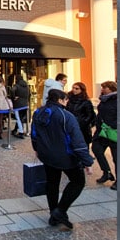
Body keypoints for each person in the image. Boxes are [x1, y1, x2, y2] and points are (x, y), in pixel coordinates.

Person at [31, 89, 94, 230]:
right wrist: (87, 161)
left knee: (52, 183)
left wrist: (37, 149)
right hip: (65, 156)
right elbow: (77, 140)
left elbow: (34, 134)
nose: (67, 103)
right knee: (78, 181)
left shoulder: (38, 112)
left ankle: (54, 212)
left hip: (46, 155)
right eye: (66, 100)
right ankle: (60, 210)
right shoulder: (66, 116)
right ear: (60, 100)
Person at [93, 80, 118, 190]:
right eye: (102, 87)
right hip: (101, 132)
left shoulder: (117, 100)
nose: (102, 89)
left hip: (114, 132)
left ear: (111, 88)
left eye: (104, 87)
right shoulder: (103, 99)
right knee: (96, 149)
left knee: (117, 158)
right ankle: (106, 172)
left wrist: (113, 125)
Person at [65, 81, 96, 146]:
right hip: (70, 125)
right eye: (73, 88)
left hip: (82, 128)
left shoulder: (86, 102)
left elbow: (90, 115)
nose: (74, 90)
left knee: (83, 145)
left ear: (82, 90)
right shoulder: (69, 100)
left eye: (77, 88)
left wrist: (83, 123)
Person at [8, 73, 30, 138]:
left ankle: (21, 132)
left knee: (18, 118)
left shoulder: (16, 85)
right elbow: (29, 94)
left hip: (18, 104)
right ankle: (15, 130)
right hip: (25, 104)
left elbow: (12, 90)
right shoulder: (26, 86)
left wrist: (13, 97)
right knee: (21, 118)